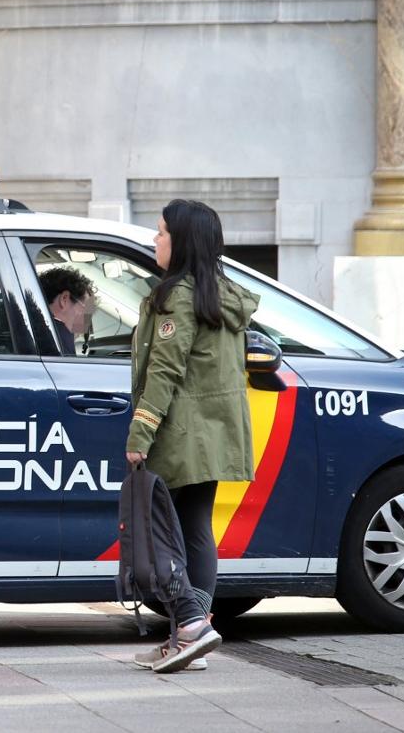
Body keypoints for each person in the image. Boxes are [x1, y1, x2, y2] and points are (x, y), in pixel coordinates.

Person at [126, 198, 258, 674]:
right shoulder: (219, 292)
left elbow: (164, 370)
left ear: (181, 241)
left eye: (161, 232)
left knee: (162, 530)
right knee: (195, 529)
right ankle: (191, 633)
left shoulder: (178, 296)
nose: (155, 239)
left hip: (180, 432)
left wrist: (140, 431)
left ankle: (190, 627)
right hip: (216, 433)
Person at [37, 265, 96, 355]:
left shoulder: (30, 330)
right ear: (64, 299)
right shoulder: (59, 341)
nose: (86, 327)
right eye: (86, 312)